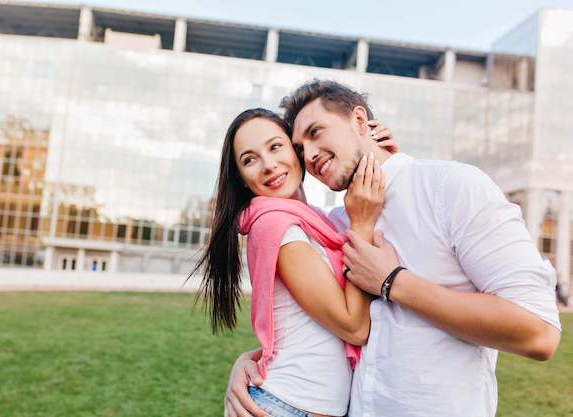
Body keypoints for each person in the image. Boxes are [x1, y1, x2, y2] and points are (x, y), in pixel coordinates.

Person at [224, 80, 562, 417]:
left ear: (360, 121)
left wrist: (392, 281)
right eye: (299, 148)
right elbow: (317, 325)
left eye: (316, 132)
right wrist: (250, 361)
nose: (309, 155)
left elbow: (539, 333)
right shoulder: (339, 223)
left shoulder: (451, 187)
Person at [191, 107, 397, 417]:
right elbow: (354, 327)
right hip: (284, 406)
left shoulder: (315, 221)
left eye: (275, 146)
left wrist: (381, 155)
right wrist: (361, 225)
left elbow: (304, 330)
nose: (268, 165)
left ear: (297, 150)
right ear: (242, 178)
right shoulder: (278, 228)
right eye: (250, 159)